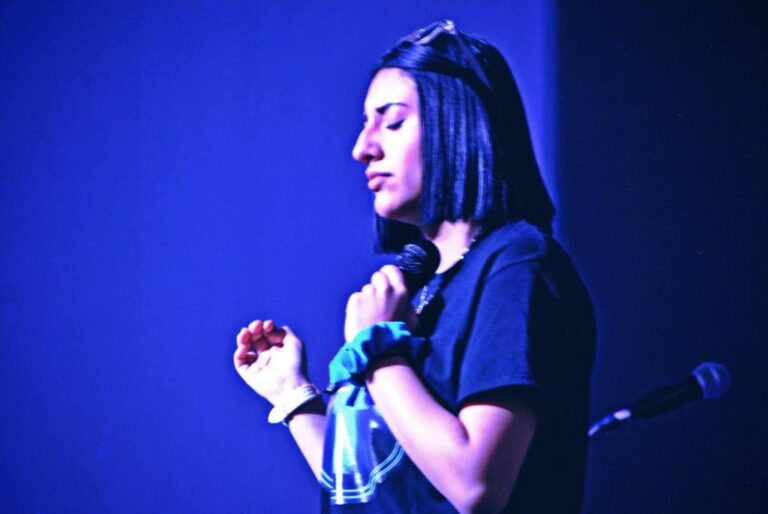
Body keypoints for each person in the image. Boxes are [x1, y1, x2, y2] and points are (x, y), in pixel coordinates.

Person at [234, 20, 596, 514]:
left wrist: (376, 348)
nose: (362, 148)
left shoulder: (517, 266)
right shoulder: (423, 289)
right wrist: (293, 395)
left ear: (457, 122)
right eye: (365, 124)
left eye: (393, 122)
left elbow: (473, 485)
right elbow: (376, 486)